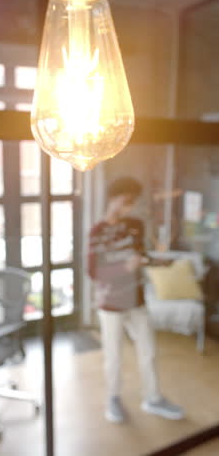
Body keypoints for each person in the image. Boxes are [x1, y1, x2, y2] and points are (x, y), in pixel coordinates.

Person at [88, 177, 184, 423]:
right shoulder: (97, 231)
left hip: (137, 301)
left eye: (132, 201)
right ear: (113, 198)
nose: (129, 205)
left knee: (148, 351)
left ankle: (153, 398)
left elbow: (141, 256)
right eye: (126, 200)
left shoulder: (136, 225)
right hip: (110, 304)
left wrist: (158, 261)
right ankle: (113, 398)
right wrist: (123, 268)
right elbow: (94, 271)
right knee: (114, 355)